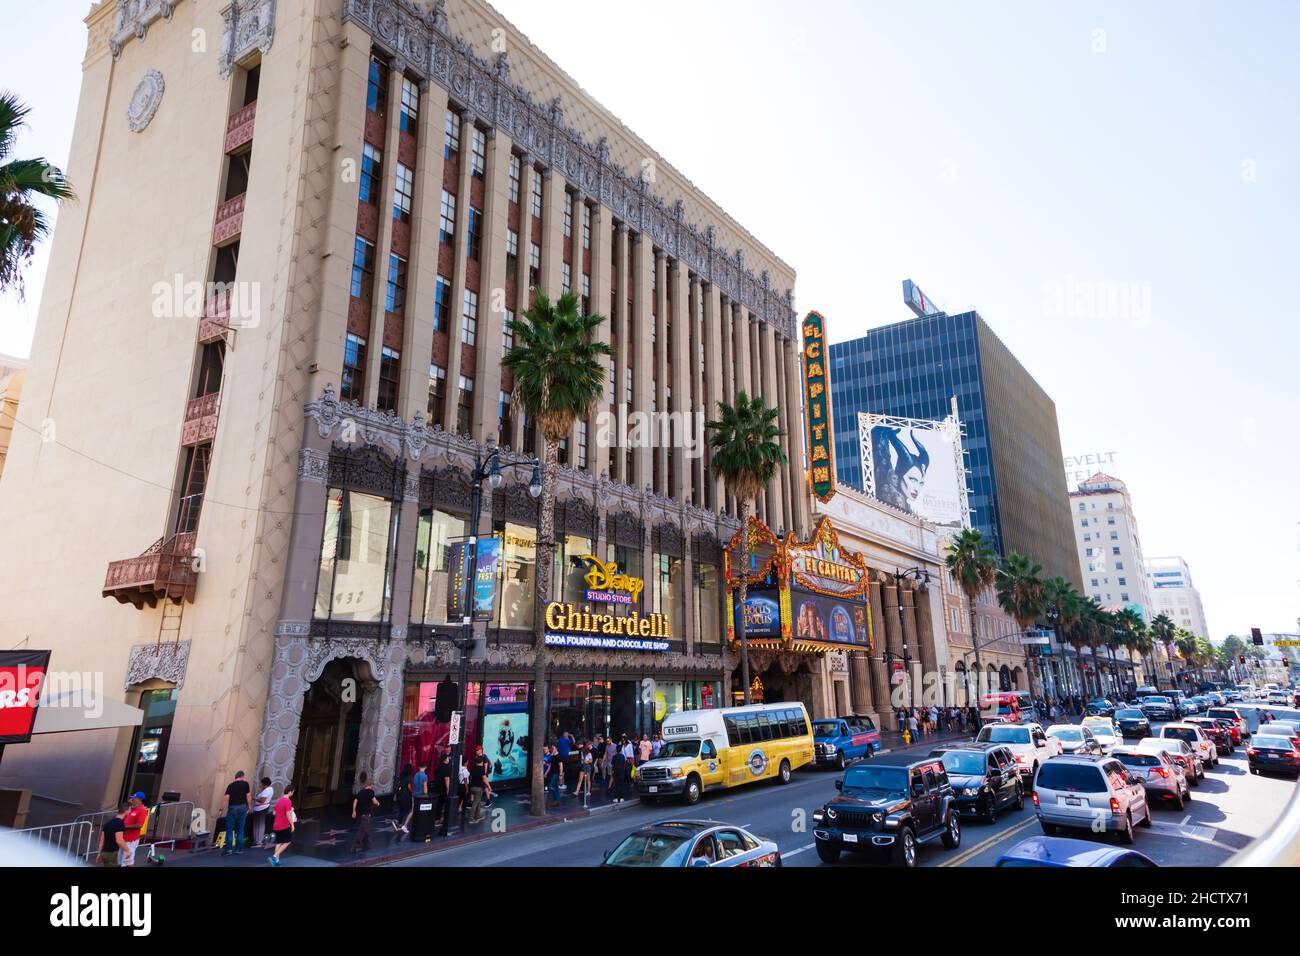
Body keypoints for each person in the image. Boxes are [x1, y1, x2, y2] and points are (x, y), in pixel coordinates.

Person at [221, 772, 252, 856]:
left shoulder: (231, 785)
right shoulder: (246, 784)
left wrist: (221, 809)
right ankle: (238, 849)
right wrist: (249, 806)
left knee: (230, 829)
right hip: (242, 808)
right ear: (242, 776)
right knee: (240, 828)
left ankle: (229, 849)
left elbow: (226, 798)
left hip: (232, 808)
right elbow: (248, 796)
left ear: (236, 777)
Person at [350, 771, 378, 853]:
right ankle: (354, 846)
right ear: (371, 785)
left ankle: (367, 844)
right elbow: (375, 802)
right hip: (366, 814)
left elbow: (355, 802)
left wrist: (354, 811)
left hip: (359, 813)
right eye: (373, 785)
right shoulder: (371, 792)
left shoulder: (360, 792)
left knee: (364, 828)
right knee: (362, 831)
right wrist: (378, 803)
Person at [269, 783, 296, 867]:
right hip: (284, 825)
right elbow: (288, 814)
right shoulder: (288, 801)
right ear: (290, 792)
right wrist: (292, 824)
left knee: (279, 842)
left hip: (276, 825)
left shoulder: (279, 801)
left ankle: (276, 862)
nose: (293, 793)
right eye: (293, 792)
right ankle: (274, 857)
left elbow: (274, 813)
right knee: (287, 841)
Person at [122, 791, 149, 866]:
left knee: (128, 861)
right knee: (123, 861)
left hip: (131, 839)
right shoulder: (132, 809)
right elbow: (123, 812)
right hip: (125, 838)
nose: (132, 799)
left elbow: (140, 825)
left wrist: (125, 826)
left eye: (134, 798)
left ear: (140, 800)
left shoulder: (142, 810)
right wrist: (128, 804)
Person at [467, 746, 490, 824]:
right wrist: (489, 786)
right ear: (481, 762)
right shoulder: (481, 770)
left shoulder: (473, 768)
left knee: (478, 801)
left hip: (472, 787)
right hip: (478, 788)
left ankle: (477, 815)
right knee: (475, 803)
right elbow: (484, 779)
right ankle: (471, 818)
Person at [251, 777, 275, 846]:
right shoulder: (269, 789)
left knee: (259, 824)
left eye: (261, 783)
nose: (260, 784)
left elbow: (262, 800)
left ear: (265, 784)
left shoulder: (267, 790)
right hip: (260, 808)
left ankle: (258, 841)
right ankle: (257, 840)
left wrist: (254, 798)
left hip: (261, 808)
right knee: (258, 824)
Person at [392, 763, 414, 837]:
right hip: (405, 795)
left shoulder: (401, 776)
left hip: (399, 794)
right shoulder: (409, 777)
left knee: (401, 808)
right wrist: (412, 792)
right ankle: (399, 821)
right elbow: (409, 787)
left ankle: (399, 822)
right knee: (407, 809)